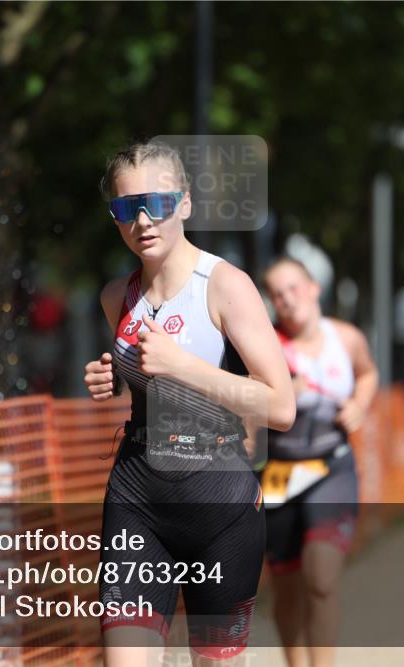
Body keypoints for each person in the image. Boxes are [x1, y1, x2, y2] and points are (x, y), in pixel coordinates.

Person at [83, 142, 296, 666]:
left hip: (219, 504)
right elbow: (146, 382)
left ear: (184, 203)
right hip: (137, 498)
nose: (142, 221)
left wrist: (182, 366)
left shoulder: (225, 285)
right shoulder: (116, 296)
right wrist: (112, 379)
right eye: (126, 208)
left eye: (156, 204)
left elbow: (281, 406)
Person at [259, 257, 378, 667]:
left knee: (322, 577)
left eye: (294, 288)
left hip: (331, 467)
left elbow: (368, 373)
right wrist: (278, 396)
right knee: (288, 588)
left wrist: (359, 404)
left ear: (314, 288)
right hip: (278, 475)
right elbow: (242, 404)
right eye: (277, 294)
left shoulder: (346, 338)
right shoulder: (266, 346)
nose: (287, 300)